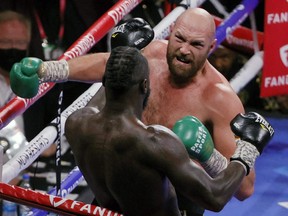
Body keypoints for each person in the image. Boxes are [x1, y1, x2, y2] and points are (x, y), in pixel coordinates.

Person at [9, 8, 262, 215]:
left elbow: (244, 189)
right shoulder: (152, 55)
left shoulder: (220, 99)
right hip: (118, 191)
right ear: (171, 33)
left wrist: (209, 155)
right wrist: (49, 71)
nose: (184, 50)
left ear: (211, 47)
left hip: (174, 205)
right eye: (180, 39)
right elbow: (108, 64)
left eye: (196, 44)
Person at [64, 46, 273, 216]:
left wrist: (127, 55)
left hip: (106, 209)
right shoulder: (155, 143)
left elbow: (110, 87)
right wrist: (248, 149)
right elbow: (215, 197)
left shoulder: (76, 123)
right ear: (145, 85)